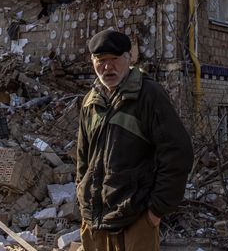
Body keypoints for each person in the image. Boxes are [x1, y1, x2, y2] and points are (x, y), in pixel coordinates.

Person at [77, 29, 194, 251]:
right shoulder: (90, 102)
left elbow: (178, 152)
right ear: (92, 61)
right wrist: (82, 196)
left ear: (129, 58)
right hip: (95, 221)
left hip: (135, 219)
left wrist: (156, 210)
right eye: (101, 61)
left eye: (114, 60)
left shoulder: (148, 95)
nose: (108, 67)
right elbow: (83, 158)